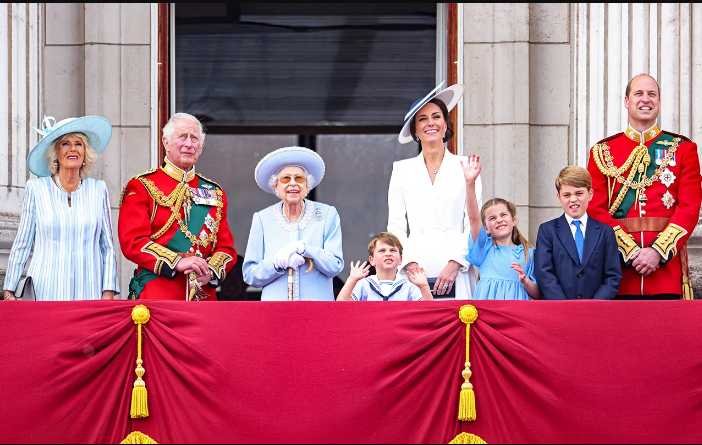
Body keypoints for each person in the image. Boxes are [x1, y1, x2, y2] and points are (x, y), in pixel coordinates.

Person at [586, 74, 702, 299]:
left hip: (665, 273)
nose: (645, 99)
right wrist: (630, 251)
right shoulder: (602, 152)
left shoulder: (683, 149)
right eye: (638, 93)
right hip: (618, 273)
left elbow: (689, 208)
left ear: (659, 102)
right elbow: (594, 208)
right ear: (627, 101)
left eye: (652, 94)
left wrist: (657, 252)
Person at [118, 112, 236, 301]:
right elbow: (133, 241)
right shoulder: (143, 185)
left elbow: (226, 248)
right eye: (182, 137)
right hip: (157, 294)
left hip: (202, 297)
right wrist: (177, 262)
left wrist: (210, 272)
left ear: (201, 147)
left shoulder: (215, 192)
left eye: (194, 138)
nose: (189, 144)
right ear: (166, 142)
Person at [3, 115, 120, 301]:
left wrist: (108, 291)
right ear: (56, 153)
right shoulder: (37, 189)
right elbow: (22, 243)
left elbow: (107, 246)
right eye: (65, 143)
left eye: (78, 143)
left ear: (85, 153)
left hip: (89, 291)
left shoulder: (98, 190)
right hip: (46, 291)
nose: (72, 148)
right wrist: (9, 289)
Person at [388, 82, 482, 300]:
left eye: (436, 116)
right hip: (415, 267)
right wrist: (409, 262)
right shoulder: (401, 170)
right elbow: (396, 225)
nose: (430, 123)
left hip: (456, 265)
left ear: (446, 124)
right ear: (416, 131)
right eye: (422, 119)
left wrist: (455, 263)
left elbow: (473, 223)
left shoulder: (467, 166)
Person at [242, 146, 344, 301]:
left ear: (307, 185)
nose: (293, 184)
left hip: (317, 310)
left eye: (299, 178)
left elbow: (334, 266)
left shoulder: (327, 215)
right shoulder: (262, 219)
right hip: (275, 311)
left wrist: (305, 249)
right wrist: (275, 263)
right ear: (275, 186)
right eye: (285, 179)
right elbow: (250, 275)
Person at [535, 166, 621, 300]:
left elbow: (612, 275)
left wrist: (594, 305)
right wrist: (564, 306)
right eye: (567, 195)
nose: (573, 199)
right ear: (559, 197)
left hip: (595, 310)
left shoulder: (605, 232)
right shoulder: (547, 231)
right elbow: (544, 273)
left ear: (590, 194)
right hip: (559, 309)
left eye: (579, 193)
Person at [461, 154, 540, 300]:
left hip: (517, 313)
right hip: (488, 313)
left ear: (513, 220)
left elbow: (538, 293)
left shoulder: (529, 253)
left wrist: (524, 280)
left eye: (503, 215)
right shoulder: (484, 248)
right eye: (492, 218)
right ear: (485, 228)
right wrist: (470, 183)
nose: (499, 220)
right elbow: (473, 218)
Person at [337, 232, 433, 301]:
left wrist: (424, 286)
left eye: (393, 250)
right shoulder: (364, 285)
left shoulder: (409, 287)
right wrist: (352, 279)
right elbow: (341, 305)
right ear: (372, 260)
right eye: (382, 251)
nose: (388, 254)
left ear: (400, 260)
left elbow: (428, 313)